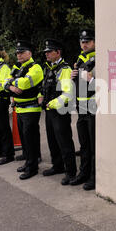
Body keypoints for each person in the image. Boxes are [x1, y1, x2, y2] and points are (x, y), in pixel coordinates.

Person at [39, 39, 77, 186]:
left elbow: (68, 93)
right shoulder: (48, 68)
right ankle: (57, 166)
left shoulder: (65, 69)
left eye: (50, 51)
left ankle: (71, 172)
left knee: (64, 142)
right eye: (46, 52)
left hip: (60, 111)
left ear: (58, 52)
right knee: (52, 140)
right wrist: (41, 98)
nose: (47, 54)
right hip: (49, 110)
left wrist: (53, 103)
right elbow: (44, 87)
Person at [4, 40, 44, 180]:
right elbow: (4, 81)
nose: (19, 55)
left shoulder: (35, 67)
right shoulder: (17, 67)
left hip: (31, 108)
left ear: (29, 53)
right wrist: (11, 86)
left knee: (30, 139)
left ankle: (32, 168)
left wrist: (11, 83)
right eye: (17, 53)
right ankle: (28, 162)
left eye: (22, 52)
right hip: (20, 109)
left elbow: (26, 84)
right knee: (25, 140)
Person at [70, 29, 96, 190]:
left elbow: (108, 84)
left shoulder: (99, 58)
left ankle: (94, 177)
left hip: (93, 108)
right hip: (81, 108)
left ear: (94, 42)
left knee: (93, 145)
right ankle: (83, 173)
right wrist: (73, 77)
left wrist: (92, 78)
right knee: (84, 145)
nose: (84, 44)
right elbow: (78, 86)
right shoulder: (80, 59)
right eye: (82, 41)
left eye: (87, 41)